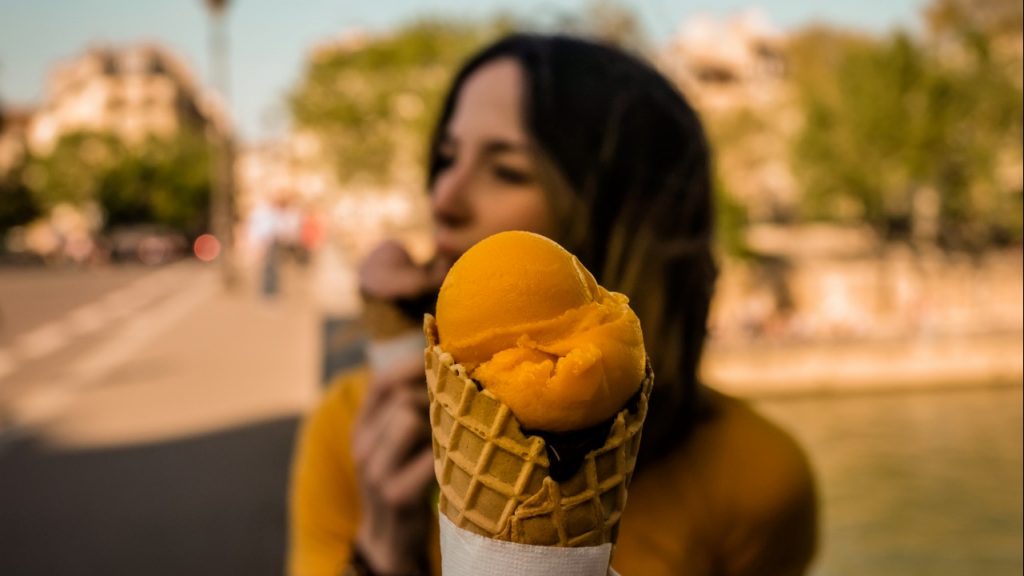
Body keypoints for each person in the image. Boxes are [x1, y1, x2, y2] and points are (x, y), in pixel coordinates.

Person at [289, 33, 818, 576]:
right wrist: (382, 550)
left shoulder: (757, 479)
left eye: (508, 170)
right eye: (446, 158)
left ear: (620, 215)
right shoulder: (349, 430)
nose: (444, 197)